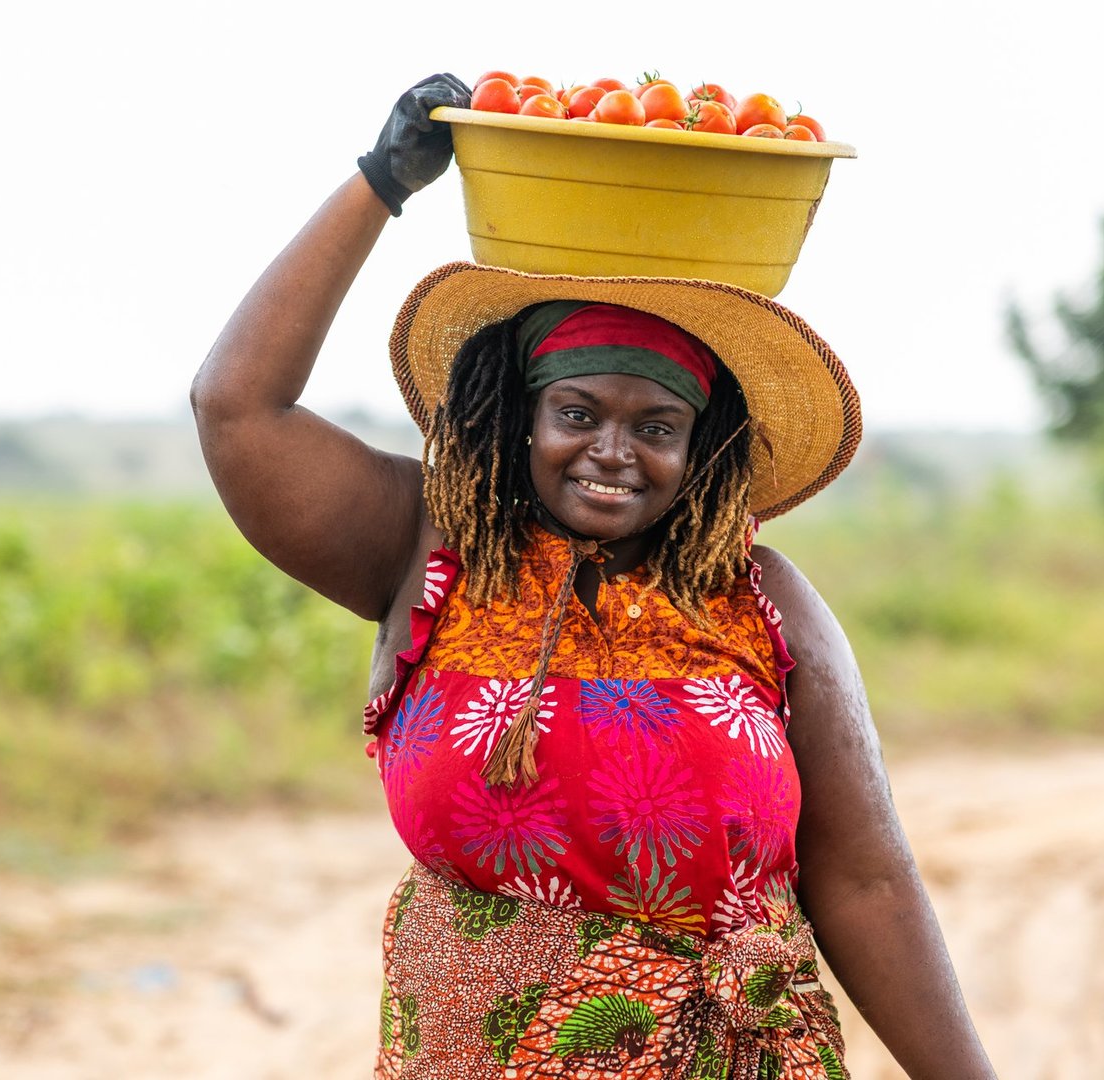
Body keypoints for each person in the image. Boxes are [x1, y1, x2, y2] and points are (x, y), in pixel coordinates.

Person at [192, 74, 996, 1080]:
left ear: (702, 446)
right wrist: (377, 185)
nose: (614, 451)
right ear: (519, 414)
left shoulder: (765, 602)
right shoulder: (428, 548)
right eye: (578, 414)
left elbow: (869, 882)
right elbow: (237, 408)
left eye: (656, 427)